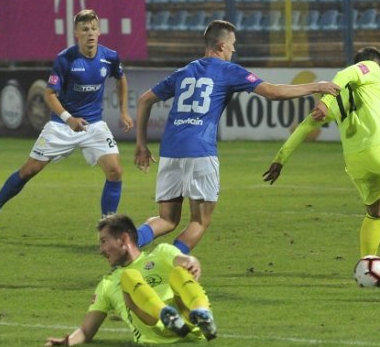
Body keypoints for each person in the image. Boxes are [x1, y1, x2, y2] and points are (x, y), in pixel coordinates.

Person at [133, 19, 339, 253]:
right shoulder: (229, 71)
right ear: (221, 46)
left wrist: (141, 144)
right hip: (200, 151)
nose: (234, 49)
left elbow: (144, 100)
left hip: (170, 151)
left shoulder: (185, 71)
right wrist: (316, 86)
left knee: (167, 220)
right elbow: (272, 93)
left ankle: (128, 242)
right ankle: (164, 266)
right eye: (232, 44)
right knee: (199, 221)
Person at [263, 46, 380, 287]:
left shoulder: (339, 97)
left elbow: (306, 125)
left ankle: (367, 269)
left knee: (376, 211)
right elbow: (346, 73)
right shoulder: (369, 68)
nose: (379, 77)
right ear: (376, 66)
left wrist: (280, 158)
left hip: (355, 160)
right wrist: (327, 100)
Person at [0, 9, 132, 231]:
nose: (90, 33)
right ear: (76, 33)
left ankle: (108, 229)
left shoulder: (110, 56)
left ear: (100, 31)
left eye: (94, 28)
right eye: (85, 29)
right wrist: (68, 119)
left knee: (115, 171)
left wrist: (123, 111)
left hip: (93, 125)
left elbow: (121, 79)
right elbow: (49, 94)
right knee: (28, 171)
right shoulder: (65, 59)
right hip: (61, 126)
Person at [45, 214, 217, 347]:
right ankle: (165, 315)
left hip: (189, 323)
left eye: (104, 241)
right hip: (155, 329)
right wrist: (68, 341)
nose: (101, 250)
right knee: (128, 277)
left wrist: (191, 263)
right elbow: (86, 330)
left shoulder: (161, 252)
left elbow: (184, 260)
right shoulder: (107, 283)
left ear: (124, 239)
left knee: (179, 273)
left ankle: (203, 315)